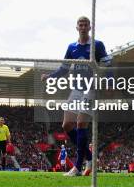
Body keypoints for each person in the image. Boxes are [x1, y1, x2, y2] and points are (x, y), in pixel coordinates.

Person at [41, 16, 111, 177]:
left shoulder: (97, 45)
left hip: (91, 88)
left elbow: (108, 65)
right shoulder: (71, 47)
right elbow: (63, 69)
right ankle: (90, 157)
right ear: (77, 27)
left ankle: (78, 167)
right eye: (80, 24)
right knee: (66, 125)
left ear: (90, 27)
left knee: (80, 124)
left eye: (86, 24)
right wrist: (50, 77)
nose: (83, 26)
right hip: (77, 89)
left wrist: (109, 81)